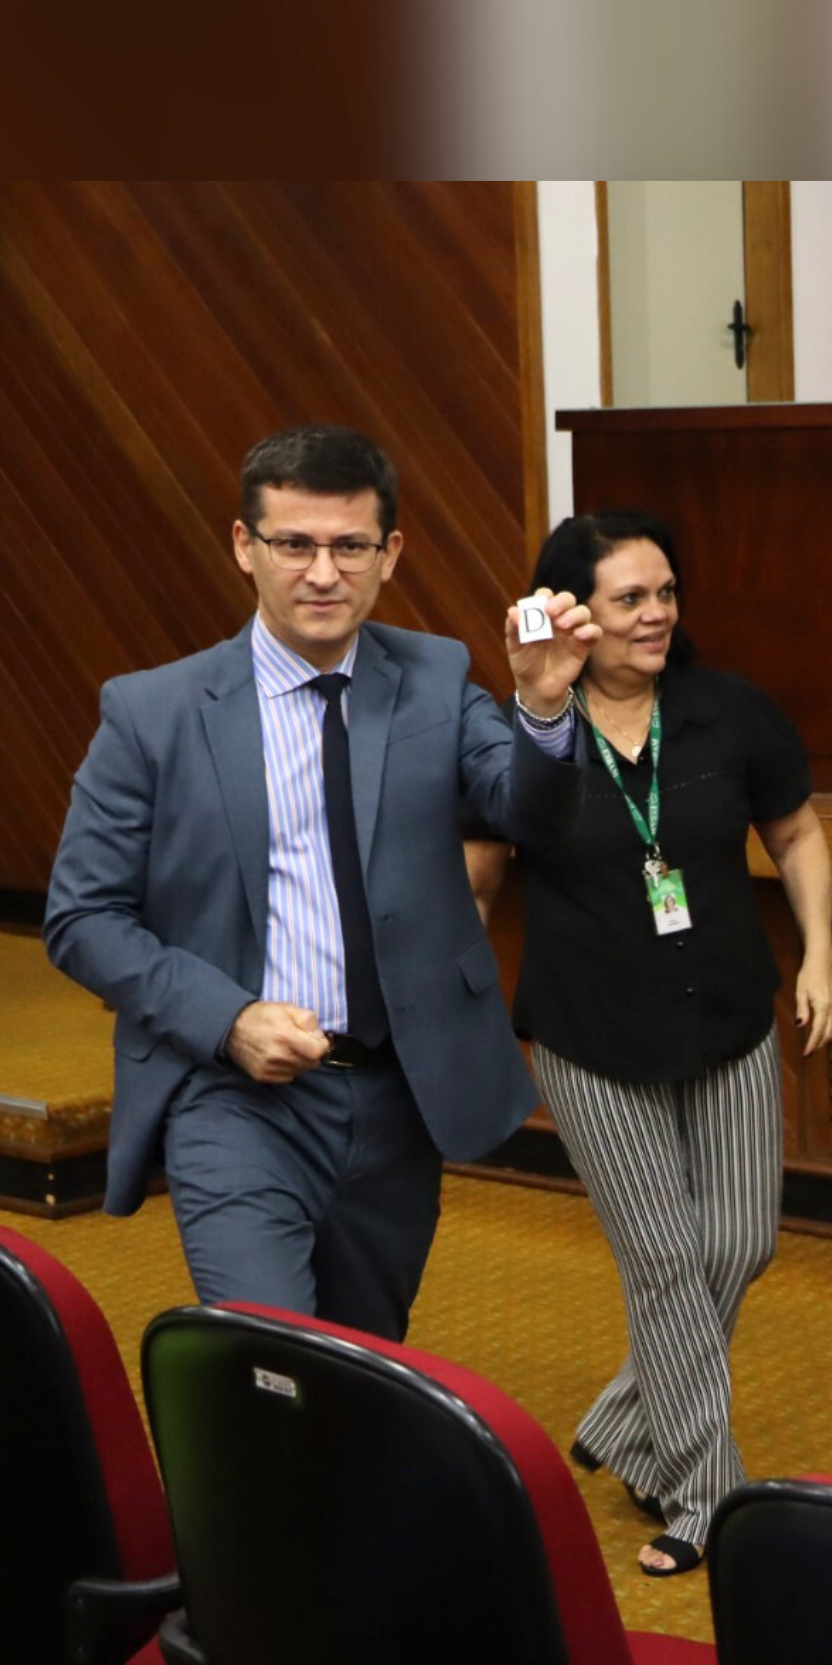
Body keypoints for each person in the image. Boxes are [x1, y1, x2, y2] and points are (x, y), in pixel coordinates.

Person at [46, 424, 591, 1340]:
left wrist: (542, 706)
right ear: (244, 545)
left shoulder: (435, 678)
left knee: (362, 1364)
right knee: (268, 1357)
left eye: (350, 547)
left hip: (397, 1093)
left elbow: (529, 817)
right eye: (294, 544)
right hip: (232, 1095)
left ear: (391, 554)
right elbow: (82, 918)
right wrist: (229, 1020)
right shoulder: (152, 712)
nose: (323, 574)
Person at [511, 511, 832, 1578]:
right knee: (662, 1262)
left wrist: (820, 956)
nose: (654, 615)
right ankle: (708, 1496)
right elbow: (487, 850)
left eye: (665, 594)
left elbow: (796, 832)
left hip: (727, 1016)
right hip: (591, 1036)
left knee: (736, 1246)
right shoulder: (529, 732)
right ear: (573, 613)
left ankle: (619, 1423)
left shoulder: (726, 710)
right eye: (628, 599)